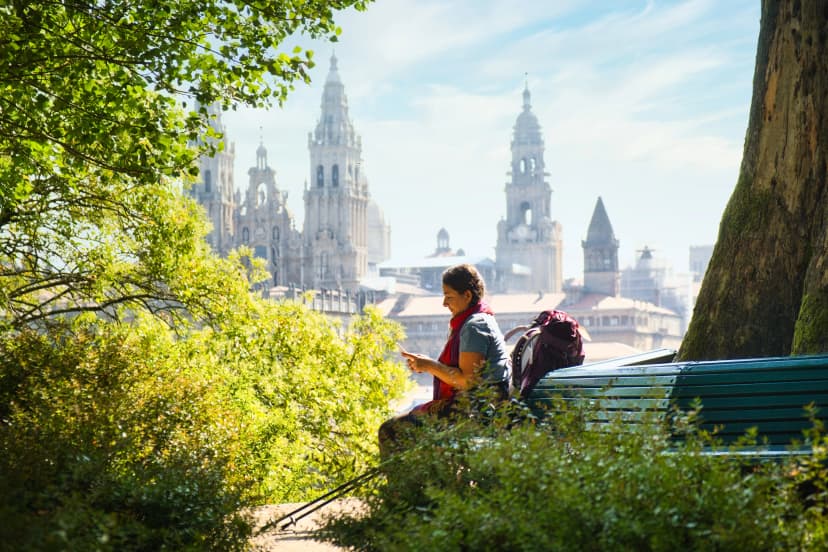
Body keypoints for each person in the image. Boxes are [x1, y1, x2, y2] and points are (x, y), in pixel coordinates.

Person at [378, 263, 511, 458]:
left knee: (390, 431)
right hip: (480, 405)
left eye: (449, 296)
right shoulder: (474, 321)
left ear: (467, 295)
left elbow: (467, 381)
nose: (444, 303)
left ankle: (407, 488)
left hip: (477, 410)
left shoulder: (475, 326)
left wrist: (430, 366)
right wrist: (426, 365)